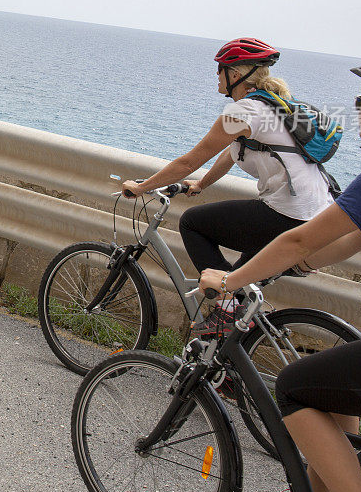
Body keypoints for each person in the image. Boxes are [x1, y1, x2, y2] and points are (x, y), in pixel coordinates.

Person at [198, 55, 361, 492]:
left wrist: (230, 280)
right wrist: (299, 265)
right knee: (331, 383)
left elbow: (299, 237)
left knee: (293, 386)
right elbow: (347, 238)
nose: (358, 108)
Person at [123, 37, 335, 334]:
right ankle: (228, 368)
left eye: (220, 70)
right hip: (318, 215)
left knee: (194, 224)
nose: (217, 76)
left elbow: (188, 162)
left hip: (289, 215)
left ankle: (225, 310)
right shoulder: (271, 106)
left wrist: (142, 186)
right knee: (237, 281)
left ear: (235, 74)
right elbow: (233, 151)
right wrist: (201, 184)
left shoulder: (243, 112)